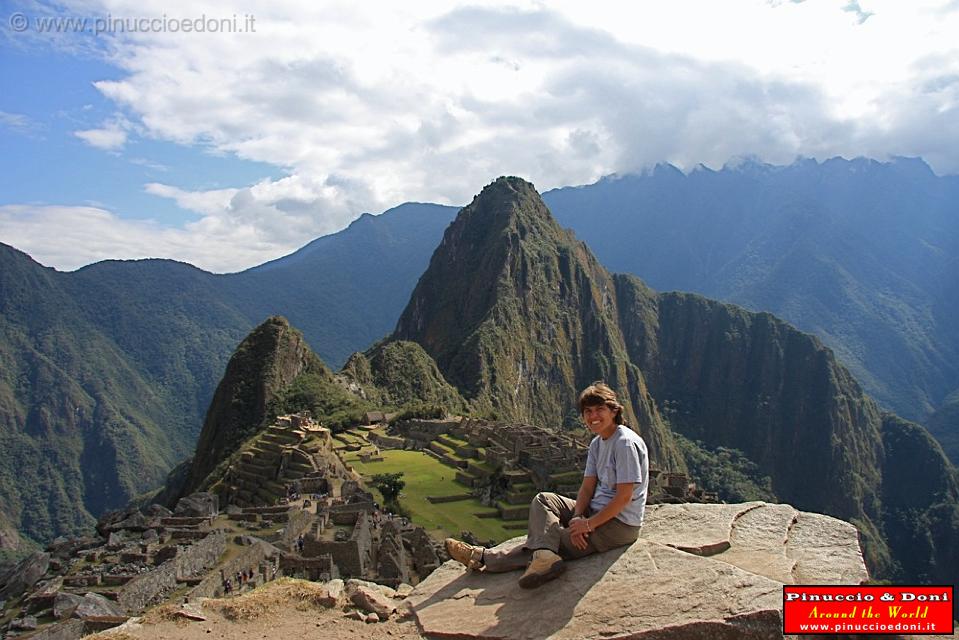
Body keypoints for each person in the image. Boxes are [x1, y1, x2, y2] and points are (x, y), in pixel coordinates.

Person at [445, 382, 648, 589]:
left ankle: (484, 558)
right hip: (596, 510)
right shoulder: (598, 443)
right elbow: (587, 487)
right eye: (588, 411)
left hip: (620, 525)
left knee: (553, 539)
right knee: (543, 500)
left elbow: (624, 497)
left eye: (600, 410)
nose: (593, 416)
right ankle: (544, 556)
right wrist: (578, 516)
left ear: (614, 411)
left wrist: (588, 525)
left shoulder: (624, 443)